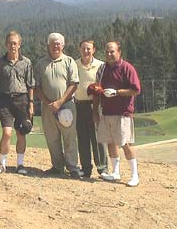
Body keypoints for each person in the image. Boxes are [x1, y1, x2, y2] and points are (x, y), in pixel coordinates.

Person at [34, 32, 83, 178]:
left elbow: (74, 84)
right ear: (48, 45)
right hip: (48, 107)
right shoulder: (41, 63)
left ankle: (73, 167)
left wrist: (60, 102)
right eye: (53, 43)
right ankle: (57, 166)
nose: (56, 46)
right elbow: (37, 87)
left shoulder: (69, 61)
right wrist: (49, 103)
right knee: (52, 137)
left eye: (58, 43)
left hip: (67, 105)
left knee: (69, 137)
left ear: (63, 45)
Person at [93, 41, 141, 187]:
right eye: (107, 52)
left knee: (125, 143)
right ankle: (116, 172)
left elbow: (135, 89)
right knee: (110, 142)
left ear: (119, 52)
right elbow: (97, 89)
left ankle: (134, 175)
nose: (109, 54)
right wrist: (95, 110)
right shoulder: (102, 69)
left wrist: (117, 92)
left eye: (112, 51)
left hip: (123, 113)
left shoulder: (127, 68)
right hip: (106, 112)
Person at [0, 31, 35, 175]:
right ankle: (2, 164)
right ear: (6, 44)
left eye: (15, 43)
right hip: (4, 100)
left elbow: (30, 85)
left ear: (19, 45)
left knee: (21, 133)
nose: (12, 46)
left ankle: (20, 165)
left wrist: (31, 103)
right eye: (10, 43)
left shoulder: (26, 62)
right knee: (7, 133)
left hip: (22, 100)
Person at [75, 39, 108, 178]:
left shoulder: (101, 65)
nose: (86, 51)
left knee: (97, 138)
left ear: (94, 50)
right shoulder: (74, 64)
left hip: (95, 105)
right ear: (80, 49)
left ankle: (102, 168)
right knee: (82, 137)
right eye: (83, 48)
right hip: (79, 105)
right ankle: (85, 168)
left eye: (89, 48)